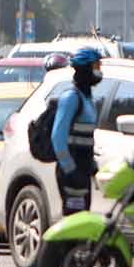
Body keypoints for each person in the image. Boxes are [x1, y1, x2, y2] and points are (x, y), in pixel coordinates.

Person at [50, 47, 103, 217]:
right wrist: (71, 170)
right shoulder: (71, 98)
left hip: (83, 169)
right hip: (71, 172)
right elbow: (58, 138)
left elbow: (85, 138)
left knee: (83, 220)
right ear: (85, 69)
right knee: (73, 221)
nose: (99, 71)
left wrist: (91, 164)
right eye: (95, 66)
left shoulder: (86, 98)